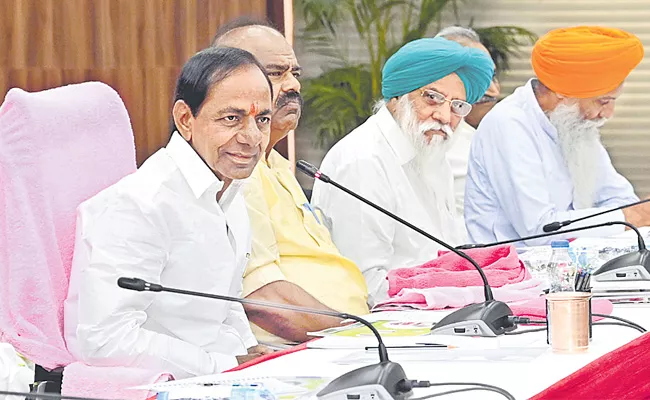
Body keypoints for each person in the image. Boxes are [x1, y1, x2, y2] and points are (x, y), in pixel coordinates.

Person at [64, 47, 273, 378]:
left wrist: (248, 353)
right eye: (231, 119)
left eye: (262, 119)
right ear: (185, 119)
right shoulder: (141, 204)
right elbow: (104, 340)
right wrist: (223, 366)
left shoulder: (230, 189)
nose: (252, 138)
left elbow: (226, 306)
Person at [212, 18, 369, 344]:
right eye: (275, 73)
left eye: (294, 73)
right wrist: (357, 338)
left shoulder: (280, 164)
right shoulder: (236, 172)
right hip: (296, 349)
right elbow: (263, 298)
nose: (293, 85)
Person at [311, 37, 494, 305]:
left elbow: (449, 255)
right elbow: (366, 288)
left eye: (457, 106)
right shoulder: (363, 161)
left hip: (433, 312)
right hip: (385, 325)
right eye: (433, 98)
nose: (445, 116)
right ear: (398, 97)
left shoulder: (432, 155)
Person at [464, 26, 650, 246]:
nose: (608, 114)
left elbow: (621, 198)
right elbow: (539, 229)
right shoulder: (509, 124)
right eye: (603, 101)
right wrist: (624, 218)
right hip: (511, 272)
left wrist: (630, 214)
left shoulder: (575, 125)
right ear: (563, 92)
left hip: (570, 265)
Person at [435, 26, 501, 216]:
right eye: (475, 76)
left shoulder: (504, 132)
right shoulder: (427, 139)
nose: (493, 90)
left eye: (492, 76)